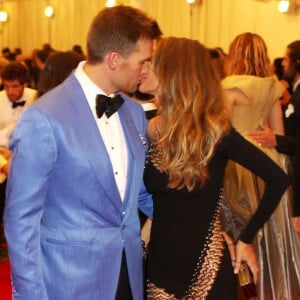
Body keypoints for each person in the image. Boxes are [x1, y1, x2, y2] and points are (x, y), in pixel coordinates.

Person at [3, 5, 162, 300]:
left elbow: (140, 194)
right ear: (114, 60)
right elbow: (20, 219)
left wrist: (201, 224)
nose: (147, 70)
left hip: (129, 273)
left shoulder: (134, 113)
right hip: (70, 281)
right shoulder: (44, 117)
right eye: (144, 61)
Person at [138, 37, 289, 299]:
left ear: (172, 71)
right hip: (159, 268)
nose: (144, 67)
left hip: (207, 268)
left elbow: (277, 178)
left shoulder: (216, 132)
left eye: (152, 62)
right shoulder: (151, 127)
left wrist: (246, 239)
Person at [222, 32, 300, 300]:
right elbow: (276, 133)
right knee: (269, 235)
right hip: (268, 163)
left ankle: (243, 289)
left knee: (239, 233)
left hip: (236, 165)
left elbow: (222, 132)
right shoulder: (271, 87)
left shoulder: (228, 85)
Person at [0, 61, 38, 219]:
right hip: (3, 159)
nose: (10, 91)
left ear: (25, 84)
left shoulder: (37, 97)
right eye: (6, 86)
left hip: (31, 157)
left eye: (15, 86)